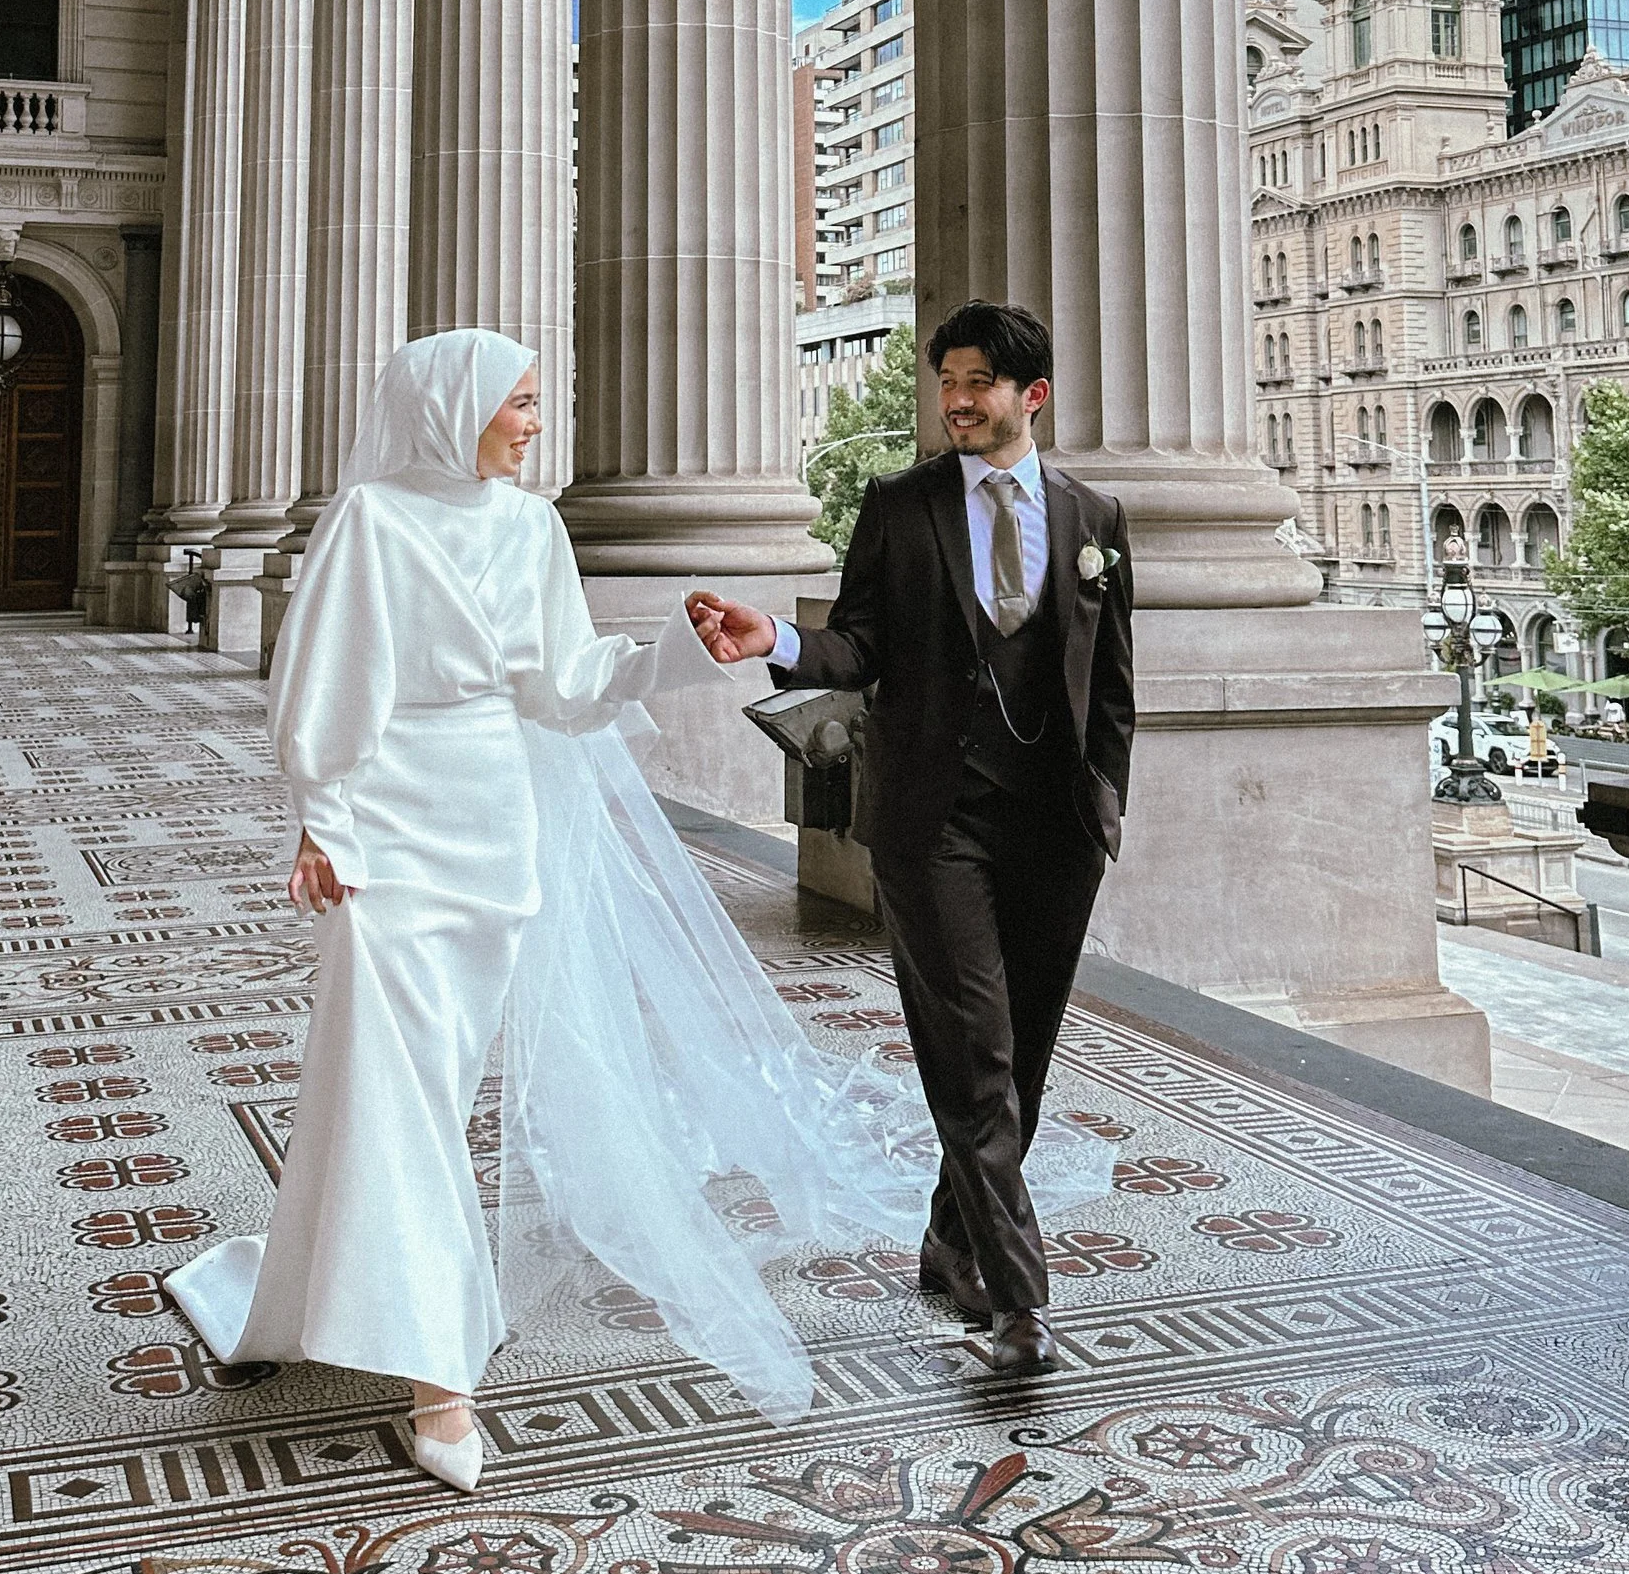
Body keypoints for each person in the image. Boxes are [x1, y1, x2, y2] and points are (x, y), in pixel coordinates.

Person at [167, 326, 1030, 1488]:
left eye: (535, 401)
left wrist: (678, 651)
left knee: (419, 1092)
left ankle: (315, 1295)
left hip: (493, 838)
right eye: (518, 402)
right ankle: (438, 1375)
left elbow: (566, 689)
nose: (534, 423)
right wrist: (325, 818)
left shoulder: (531, 529)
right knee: (394, 1092)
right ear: (454, 407)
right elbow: (322, 680)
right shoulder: (370, 521)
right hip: (389, 839)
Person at [690, 300, 1133, 1378]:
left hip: (1054, 828)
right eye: (947, 383)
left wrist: (1104, 803)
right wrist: (775, 638)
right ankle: (1018, 1302)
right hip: (935, 822)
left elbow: (1114, 679)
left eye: (978, 382)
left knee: (1022, 1057)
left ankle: (947, 1237)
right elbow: (860, 643)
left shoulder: (1094, 516)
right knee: (975, 1056)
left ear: (1030, 396)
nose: (956, 401)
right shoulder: (901, 504)